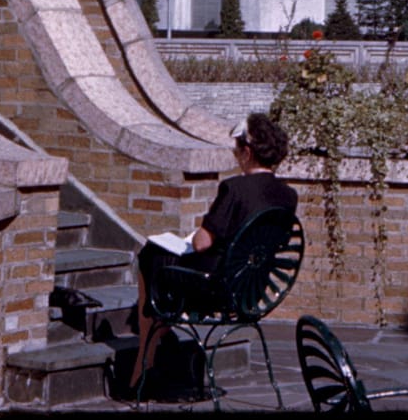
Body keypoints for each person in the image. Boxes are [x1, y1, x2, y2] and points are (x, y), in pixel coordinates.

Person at [127, 111, 298, 392]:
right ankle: (159, 331)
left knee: (151, 254)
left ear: (247, 152)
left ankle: (146, 359)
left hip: (216, 287)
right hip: (251, 291)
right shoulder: (288, 196)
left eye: (236, 151)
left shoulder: (234, 188)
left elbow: (201, 243)